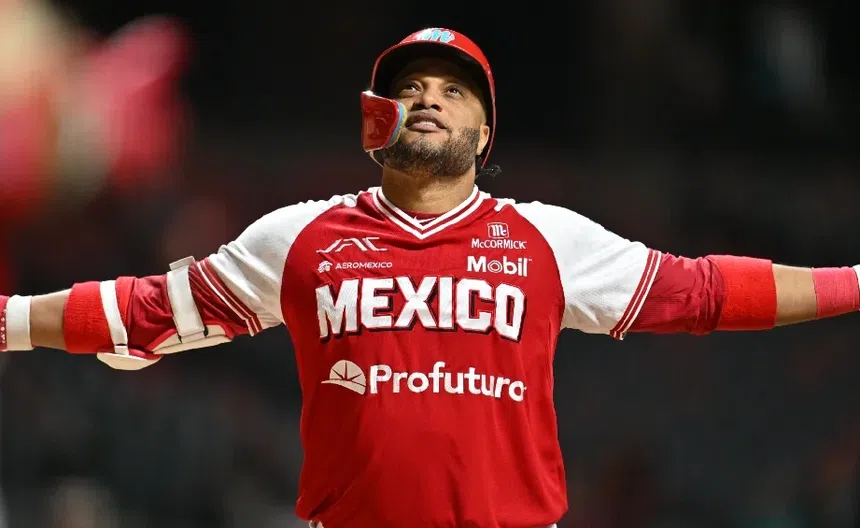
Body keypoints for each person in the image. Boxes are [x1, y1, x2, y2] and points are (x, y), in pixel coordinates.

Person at [1, 28, 858, 528]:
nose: (429, 97)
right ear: (376, 123)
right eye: (409, 87)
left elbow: (705, 291)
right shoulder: (299, 237)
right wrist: (8, 319)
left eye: (455, 90)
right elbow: (148, 310)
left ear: (485, 135)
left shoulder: (547, 239)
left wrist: (855, 283)